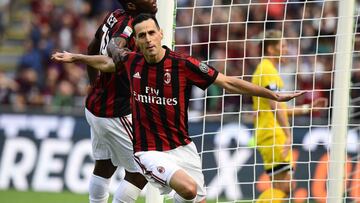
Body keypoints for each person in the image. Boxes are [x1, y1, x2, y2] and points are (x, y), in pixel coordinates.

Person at [52, 14, 304, 203]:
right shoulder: (132, 62)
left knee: (195, 197)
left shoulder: (183, 64)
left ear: (161, 33)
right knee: (188, 189)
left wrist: (273, 95)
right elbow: (106, 62)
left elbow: (227, 81)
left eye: (151, 33)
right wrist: (76, 57)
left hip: (183, 147)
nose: (148, 39)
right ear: (137, 42)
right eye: (142, 36)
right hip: (149, 151)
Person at [81, 1, 157, 203]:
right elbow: (116, 43)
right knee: (142, 171)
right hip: (116, 111)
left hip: (95, 103)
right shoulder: (130, 25)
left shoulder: (114, 15)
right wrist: (117, 52)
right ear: (132, 4)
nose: (153, 0)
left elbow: (92, 47)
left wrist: (92, 82)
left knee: (105, 165)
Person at [251, 30, 328, 202]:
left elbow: (279, 107)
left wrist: (308, 108)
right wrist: (287, 133)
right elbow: (275, 105)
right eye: (283, 46)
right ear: (271, 49)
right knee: (284, 186)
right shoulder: (268, 70)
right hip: (273, 134)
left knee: (282, 187)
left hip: (268, 133)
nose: (286, 50)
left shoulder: (265, 69)